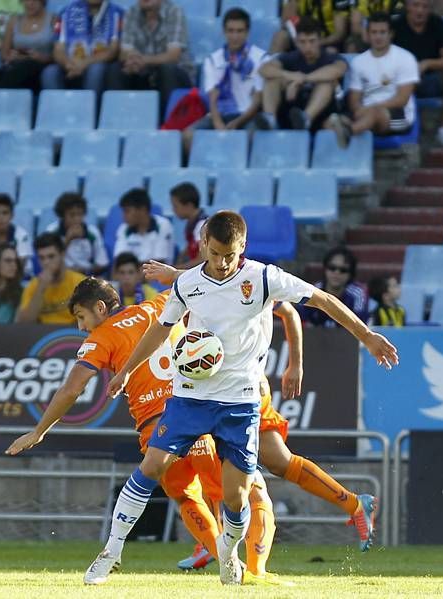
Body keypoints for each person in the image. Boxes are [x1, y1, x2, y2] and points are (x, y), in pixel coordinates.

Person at [85, 211, 397, 586]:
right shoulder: (188, 284)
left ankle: (229, 555)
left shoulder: (264, 278)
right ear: (204, 245)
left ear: (242, 248)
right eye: (214, 254)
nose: (221, 263)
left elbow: (323, 300)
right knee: (152, 465)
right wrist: (127, 370)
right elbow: (160, 328)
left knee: (236, 497)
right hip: (191, 396)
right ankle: (111, 553)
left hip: (241, 402)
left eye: (229, 255)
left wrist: (368, 336)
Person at [5, 279, 282, 585]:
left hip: (159, 432)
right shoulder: (159, 305)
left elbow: (72, 388)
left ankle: (221, 562)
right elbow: (205, 281)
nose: (81, 327)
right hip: (198, 417)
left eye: (81, 316)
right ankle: (252, 570)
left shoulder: (101, 337)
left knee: (184, 497)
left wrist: (39, 431)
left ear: (100, 308)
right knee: (246, 493)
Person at [144, 258, 382, 558]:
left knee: (242, 467)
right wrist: (174, 274)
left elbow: (291, 313)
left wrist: (295, 364)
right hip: (211, 390)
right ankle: (353, 504)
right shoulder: (195, 283)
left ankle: (229, 552)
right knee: (267, 462)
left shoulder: (253, 282)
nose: (214, 256)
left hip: (243, 392)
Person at [181, 8, 266, 154]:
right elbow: (212, 97)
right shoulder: (213, 60)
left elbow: (257, 100)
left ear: (247, 32)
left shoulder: (261, 58)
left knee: (253, 136)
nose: (235, 36)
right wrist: (217, 123)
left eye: (239, 31)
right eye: (231, 31)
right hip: (219, 114)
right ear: (224, 32)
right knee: (188, 136)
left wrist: (237, 123)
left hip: (247, 115)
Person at [332, 12, 418, 148]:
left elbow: (402, 99)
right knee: (331, 120)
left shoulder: (405, 58)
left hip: (398, 116)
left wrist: (369, 109)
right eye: (374, 32)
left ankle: (349, 131)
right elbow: (354, 101)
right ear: (367, 34)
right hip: (365, 113)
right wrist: (360, 110)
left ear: (391, 34)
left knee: (373, 113)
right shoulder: (358, 62)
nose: (378, 37)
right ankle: (349, 127)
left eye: (382, 32)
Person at [104, 0, 193, 119]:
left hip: (175, 76)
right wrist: (131, 59)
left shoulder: (175, 12)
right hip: (143, 73)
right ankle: (118, 122)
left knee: (166, 69)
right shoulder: (131, 12)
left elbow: (173, 56)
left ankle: (168, 126)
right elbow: (124, 52)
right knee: (116, 69)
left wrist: (143, 60)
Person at [257, 16, 347, 132]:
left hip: (323, 115)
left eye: (312, 41)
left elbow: (338, 70)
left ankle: (306, 118)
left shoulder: (330, 57)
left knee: (327, 82)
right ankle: (270, 119)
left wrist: (302, 79)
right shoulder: (291, 57)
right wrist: (289, 76)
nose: (307, 47)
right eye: (302, 42)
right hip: (292, 112)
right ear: (296, 42)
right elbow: (264, 69)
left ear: (320, 40)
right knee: (272, 79)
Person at [392, 0, 443, 147]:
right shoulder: (396, 25)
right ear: (407, 6)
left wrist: (427, 64)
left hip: (431, 78)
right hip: (402, 80)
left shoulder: (439, 23)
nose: (420, 11)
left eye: (425, 7)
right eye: (416, 5)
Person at [40, 0, 123, 96]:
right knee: (49, 73)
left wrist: (84, 63)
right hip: (70, 65)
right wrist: (68, 64)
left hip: (98, 63)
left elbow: (113, 50)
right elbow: (58, 49)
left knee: (96, 70)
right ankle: (57, 108)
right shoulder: (65, 12)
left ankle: (90, 109)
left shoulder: (117, 13)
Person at [15, 232, 85, 324]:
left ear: (62, 254)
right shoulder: (34, 285)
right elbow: (23, 323)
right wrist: (41, 288)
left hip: (72, 334)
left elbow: (91, 321)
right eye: (42, 258)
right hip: (43, 336)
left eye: (51, 256)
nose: (46, 262)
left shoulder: (80, 283)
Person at [0, 0, 55, 91]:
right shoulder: (14, 20)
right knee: (16, 69)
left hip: (43, 69)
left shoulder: (54, 20)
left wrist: (42, 58)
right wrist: (11, 57)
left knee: (27, 65)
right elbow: (3, 55)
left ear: (42, 1)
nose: (29, 3)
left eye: (34, 0)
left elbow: (60, 53)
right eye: (25, 0)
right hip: (18, 67)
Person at [298, 246, 369, 327]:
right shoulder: (314, 291)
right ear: (325, 269)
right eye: (332, 268)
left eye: (343, 270)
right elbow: (300, 318)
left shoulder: (358, 294)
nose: (337, 273)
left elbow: (360, 325)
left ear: (350, 274)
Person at [45, 192, 109, 276]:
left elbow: (102, 263)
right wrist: (67, 240)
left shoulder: (92, 232)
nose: (77, 219)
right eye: (72, 215)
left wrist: (85, 271)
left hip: (86, 277)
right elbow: (48, 262)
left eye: (80, 214)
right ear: (62, 215)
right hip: (60, 276)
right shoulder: (52, 231)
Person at [112, 188, 174, 264]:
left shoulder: (163, 225)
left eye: (127, 211)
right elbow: (119, 262)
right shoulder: (123, 229)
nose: (123, 216)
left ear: (142, 210)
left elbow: (159, 263)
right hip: (131, 273)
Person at [270, 0, 350, 54]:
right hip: (300, 39)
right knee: (280, 37)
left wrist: (317, 42)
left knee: (331, 51)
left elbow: (340, 32)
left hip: (327, 40)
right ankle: (271, 71)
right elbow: (286, 23)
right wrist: (301, 41)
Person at [169, 182, 207, 269]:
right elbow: (189, 248)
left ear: (189, 205)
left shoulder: (202, 226)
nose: (173, 210)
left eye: (175, 206)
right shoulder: (192, 224)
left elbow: (202, 260)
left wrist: (176, 269)